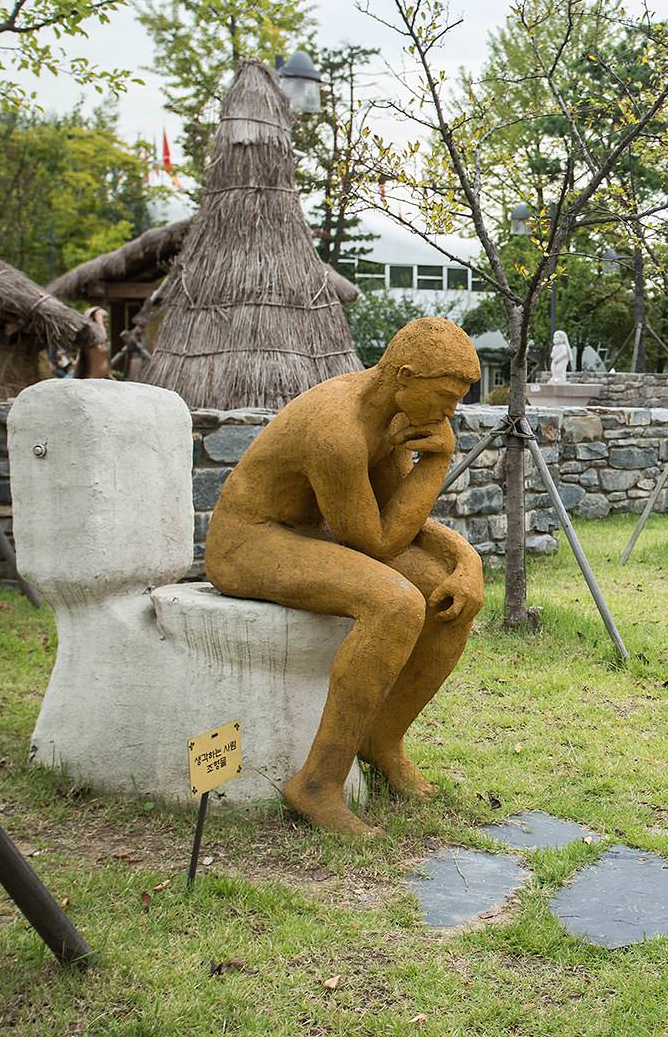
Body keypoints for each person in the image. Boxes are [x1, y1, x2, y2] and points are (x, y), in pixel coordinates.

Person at [205, 317, 485, 836]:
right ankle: (316, 783)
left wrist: (467, 560)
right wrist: (436, 462)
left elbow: (400, 518)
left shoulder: (394, 417)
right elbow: (375, 543)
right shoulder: (338, 430)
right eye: (447, 395)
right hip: (249, 541)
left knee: (447, 595)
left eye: (460, 396)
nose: (454, 410)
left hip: (313, 534)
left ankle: (383, 739)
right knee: (396, 603)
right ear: (404, 376)